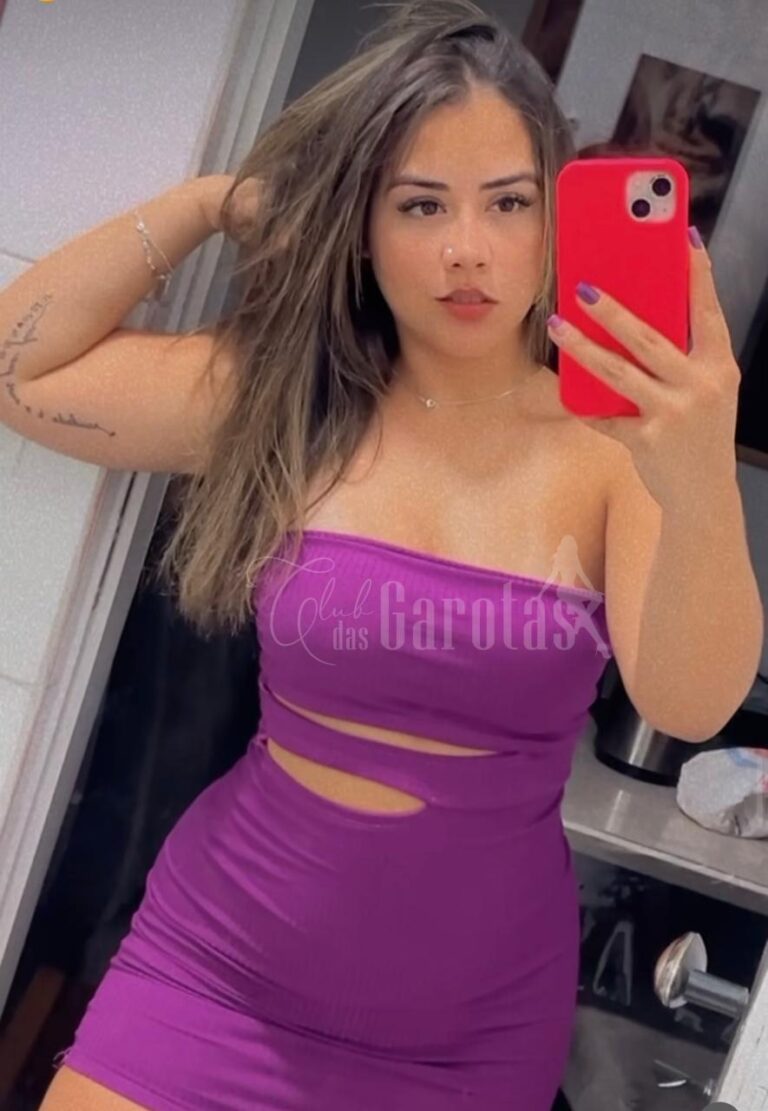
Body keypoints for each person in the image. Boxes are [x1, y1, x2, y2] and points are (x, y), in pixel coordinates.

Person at [4, 0, 755, 1108]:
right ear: (362, 223)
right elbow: (24, 370)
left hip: (466, 1033)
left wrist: (696, 476)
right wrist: (210, 202)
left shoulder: (618, 443)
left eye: (508, 201)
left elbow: (689, 702)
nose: (466, 248)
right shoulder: (289, 400)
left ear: (555, 217)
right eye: (420, 203)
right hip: (213, 973)